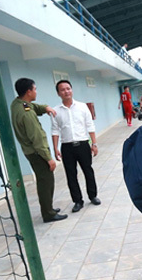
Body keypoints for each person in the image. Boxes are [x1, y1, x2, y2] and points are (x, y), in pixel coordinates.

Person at [10, 78, 67, 223]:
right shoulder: (27, 114)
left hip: (31, 152)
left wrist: (45, 108)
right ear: (29, 91)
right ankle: (48, 213)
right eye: (35, 89)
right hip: (37, 153)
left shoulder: (17, 104)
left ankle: (49, 208)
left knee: (45, 181)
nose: (36, 91)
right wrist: (49, 158)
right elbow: (37, 139)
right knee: (45, 182)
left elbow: (32, 107)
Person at [51, 80, 101, 214]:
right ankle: (77, 201)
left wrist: (94, 143)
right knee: (71, 175)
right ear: (58, 93)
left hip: (83, 144)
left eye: (68, 88)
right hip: (67, 147)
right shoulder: (55, 111)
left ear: (71, 90)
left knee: (88, 171)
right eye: (62, 89)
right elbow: (55, 131)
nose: (66, 91)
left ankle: (93, 196)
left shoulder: (82, 107)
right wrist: (55, 148)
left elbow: (90, 125)